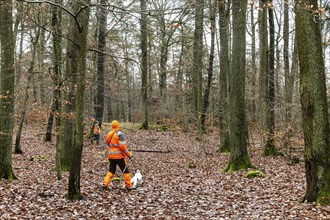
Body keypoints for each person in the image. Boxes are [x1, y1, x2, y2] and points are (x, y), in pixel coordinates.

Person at [103, 120, 135, 190]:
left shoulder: (109, 134)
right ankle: (128, 186)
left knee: (111, 170)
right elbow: (122, 147)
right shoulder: (120, 134)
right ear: (118, 125)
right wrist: (129, 154)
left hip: (111, 156)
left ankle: (105, 184)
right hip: (119, 156)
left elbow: (108, 144)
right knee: (125, 171)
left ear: (112, 126)